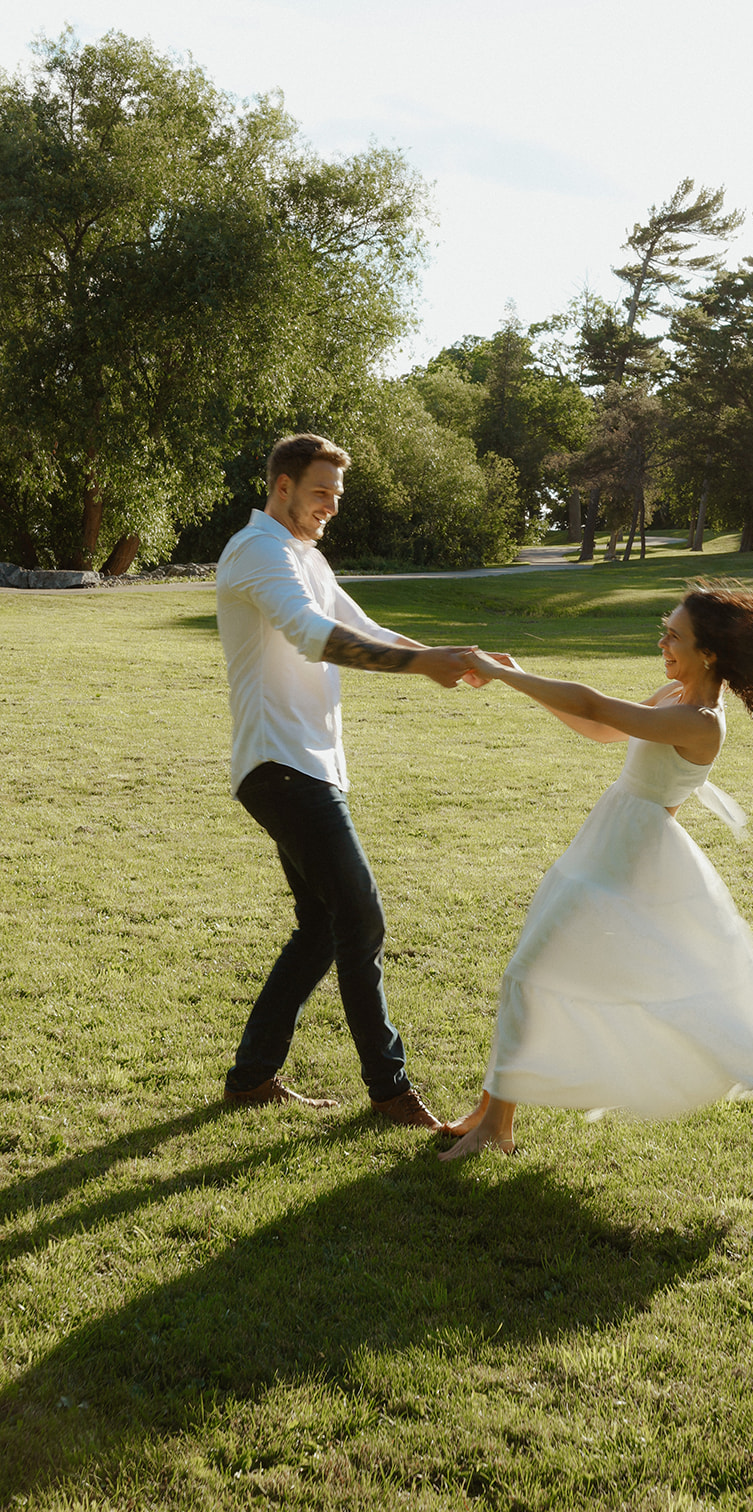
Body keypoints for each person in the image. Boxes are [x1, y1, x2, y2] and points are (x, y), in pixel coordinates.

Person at [440, 579, 753, 1160]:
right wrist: (521, 678)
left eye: (674, 635)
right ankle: (489, 1113)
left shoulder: (703, 722)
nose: (662, 642)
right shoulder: (673, 694)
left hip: (627, 860)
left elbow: (593, 703)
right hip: (604, 843)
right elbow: (597, 725)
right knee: (529, 972)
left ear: (708, 652)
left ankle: (497, 1126)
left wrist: (503, 670)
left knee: (529, 975)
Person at [217, 432, 479, 1127]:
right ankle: (390, 1093)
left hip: (306, 765)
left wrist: (444, 656)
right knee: (359, 919)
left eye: (336, 494)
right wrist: (423, 666)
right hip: (280, 766)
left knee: (321, 928)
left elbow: (357, 624)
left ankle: (251, 1078)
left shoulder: (305, 553)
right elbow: (311, 634)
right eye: (319, 492)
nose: (330, 506)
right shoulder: (257, 551)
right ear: (280, 486)